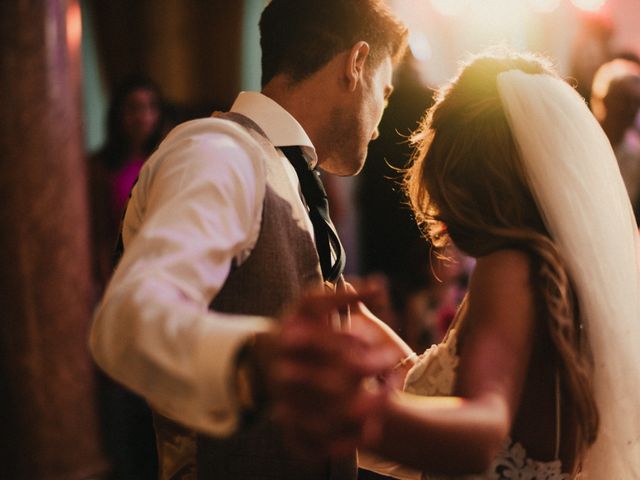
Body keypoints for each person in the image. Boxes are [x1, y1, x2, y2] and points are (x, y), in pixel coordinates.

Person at [271, 50, 640, 478]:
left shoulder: (508, 268)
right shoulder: (558, 272)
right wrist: (355, 311)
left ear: (464, 173)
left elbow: (482, 429)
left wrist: (363, 412)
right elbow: (454, 382)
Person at [89, 1, 408, 479]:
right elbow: (127, 320)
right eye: (385, 92)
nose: (380, 122)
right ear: (356, 63)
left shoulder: (291, 176)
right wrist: (253, 360)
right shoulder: (218, 153)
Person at [89, 74, 166, 294]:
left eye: (150, 107)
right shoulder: (101, 167)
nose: (143, 117)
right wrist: (108, 285)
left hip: (161, 264)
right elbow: (100, 234)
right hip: (122, 267)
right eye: (134, 108)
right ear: (119, 113)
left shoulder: (164, 157)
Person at [591, 58, 640, 223]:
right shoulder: (583, 144)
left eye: (636, 103)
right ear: (604, 98)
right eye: (624, 100)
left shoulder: (636, 159)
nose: (631, 109)